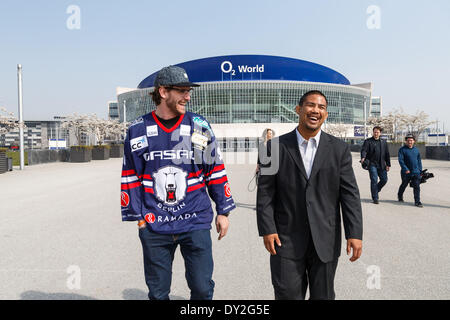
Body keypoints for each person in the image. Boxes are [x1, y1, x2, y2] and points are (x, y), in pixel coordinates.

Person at [121, 65, 236, 300]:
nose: (188, 96)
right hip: (154, 225)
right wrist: (140, 217)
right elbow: (130, 176)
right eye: (182, 90)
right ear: (163, 92)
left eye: (188, 90)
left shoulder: (199, 126)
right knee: (158, 292)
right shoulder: (137, 130)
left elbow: (214, 170)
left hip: (195, 220)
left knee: (202, 288)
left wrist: (223, 210)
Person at [256, 90, 363, 300]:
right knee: (287, 295)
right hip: (285, 241)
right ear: (298, 110)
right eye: (311, 105)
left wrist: (355, 233)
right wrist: (267, 229)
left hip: (326, 239)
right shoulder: (272, 148)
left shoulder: (339, 149)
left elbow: (350, 194)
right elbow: (265, 193)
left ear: (326, 114)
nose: (316, 111)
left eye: (321, 107)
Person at [360, 126, 391, 204]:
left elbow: (387, 153)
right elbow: (364, 150)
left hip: (382, 164)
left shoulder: (383, 142)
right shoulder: (368, 141)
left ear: (380, 133)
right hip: (372, 164)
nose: (376, 133)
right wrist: (363, 157)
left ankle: (376, 189)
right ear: (373, 132)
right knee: (374, 180)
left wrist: (388, 164)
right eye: (375, 132)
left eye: (377, 132)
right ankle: (375, 198)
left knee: (384, 179)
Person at [397, 134, 423, 207]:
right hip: (406, 172)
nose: (410, 142)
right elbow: (401, 160)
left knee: (416, 186)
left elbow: (419, 160)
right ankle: (400, 195)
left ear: (414, 141)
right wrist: (405, 169)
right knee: (404, 184)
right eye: (408, 140)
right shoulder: (402, 150)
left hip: (416, 172)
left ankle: (417, 201)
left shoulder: (416, 150)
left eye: (411, 140)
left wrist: (420, 170)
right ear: (406, 141)